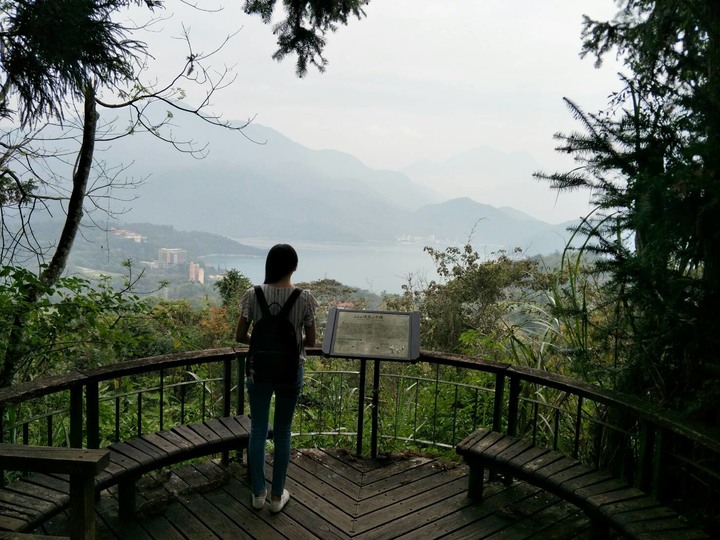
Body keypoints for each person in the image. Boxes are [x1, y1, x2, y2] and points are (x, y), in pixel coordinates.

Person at [235, 243, 318, 514]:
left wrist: (259, 344)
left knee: (258, 429)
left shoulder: (252, 294)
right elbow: (312, 340)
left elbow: (240, 336)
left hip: (258, 370)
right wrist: (291, 345)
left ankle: (258, 493)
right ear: (294, 267)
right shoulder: (304, 298)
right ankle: (276, 496)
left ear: (269, 265)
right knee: (282, 432)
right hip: (290, 371)